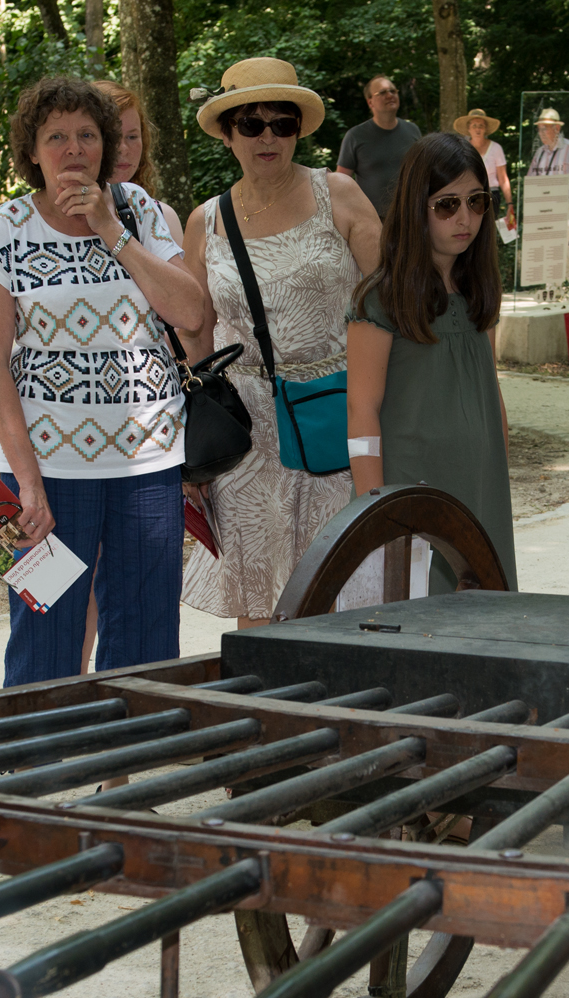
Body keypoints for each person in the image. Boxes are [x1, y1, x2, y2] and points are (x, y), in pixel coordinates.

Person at [0, 76, 204, 687]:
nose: (73, 149)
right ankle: (36, 749)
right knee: (43, 635)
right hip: (45, 471)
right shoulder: (4, 229)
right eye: (56, 137)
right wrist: (27, 483)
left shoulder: (138, 210)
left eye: (87, 135)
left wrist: (110, 229)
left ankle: (131, 751)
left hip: (147, 464)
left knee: (146, 640)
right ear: (32, 150)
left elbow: (191, 313)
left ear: (106, 145)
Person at [180, 58, 382, 627]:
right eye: (251, 124)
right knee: (257, 597)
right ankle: (262, 687)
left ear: (298, 130)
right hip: (246, 435)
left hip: (335, 413)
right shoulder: (205, 222)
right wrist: (196, 445)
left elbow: (389, 303)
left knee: (341, 590)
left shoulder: (339, 194)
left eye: (282, 123)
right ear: (227, 134)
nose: (267, 137)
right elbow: (195, 334)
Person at [346, 132, 514, 596]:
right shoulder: (380, 299)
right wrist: (373, 511)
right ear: (415, 208)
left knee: (483, 614)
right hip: (412, 495)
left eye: (476, 202)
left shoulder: (480, 289)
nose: (465, 218)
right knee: (420, 617)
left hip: (481, 488)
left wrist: (498, 476)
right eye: (446, 205)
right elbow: (361, 410)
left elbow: (490, 390)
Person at [73, 77, 186, 674]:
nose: (123, 149)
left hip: (144, 440)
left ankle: (117, 726)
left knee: (133, 599)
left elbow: (190, 321)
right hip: (63, 448)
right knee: (63, 598)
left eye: (134, 136)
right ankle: (69, 701)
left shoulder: (153, 215)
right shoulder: (27, 222)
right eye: (111, 136)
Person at [336, 75, 422, 221]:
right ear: (370, 102)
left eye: (393, 91)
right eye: (382, 93)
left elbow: (423, 172)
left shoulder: (413, 130)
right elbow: (341, 183)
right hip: (371, 220)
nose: (390, 95)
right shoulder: (355, 136)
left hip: (410, 217)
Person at [527, 106, 569, 222]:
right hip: (543, 207)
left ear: (557, 128)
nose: (541, 133)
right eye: (539, 129)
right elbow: (531, 182)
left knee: (563, 235)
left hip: (567, 204)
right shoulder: (539, 153)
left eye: (544, 128)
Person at [452, 108, 511, 216]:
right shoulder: (463, 148)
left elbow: (503, 178)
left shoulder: (496, 148)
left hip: (491, 195)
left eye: (481, 126)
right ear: (469, 129)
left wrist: (510, 203)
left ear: (485, 129)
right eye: (474, 126)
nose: (477, 129)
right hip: (468, 195)